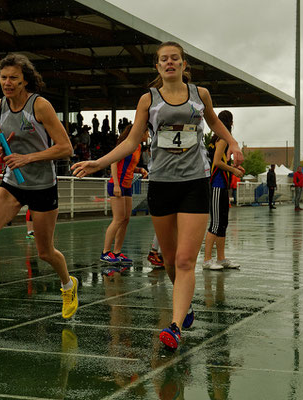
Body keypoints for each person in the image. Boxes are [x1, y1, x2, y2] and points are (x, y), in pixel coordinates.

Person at [71, 41, 243, 349]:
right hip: (162, 183)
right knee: (168, 258)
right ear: (157, 66)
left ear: (183, 64)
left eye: (175, 58)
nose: (170, 63)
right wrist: (100, 161)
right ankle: (184, 303)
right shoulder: (147, 100)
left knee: (187, 258)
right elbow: (133, 140)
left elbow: (214, 122)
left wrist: (232, 143)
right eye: (164, 59)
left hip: (195, 182)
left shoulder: (199, 94)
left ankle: (174, 326)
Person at [0, 53, 78, 322]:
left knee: (45, 252)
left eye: (13, 77)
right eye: (3, 77)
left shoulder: (41, 106)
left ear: (25, 80)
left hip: (43, 185)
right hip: (13, 183)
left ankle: (68, 286)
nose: (7, 82)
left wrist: (28, 157)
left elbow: (66, 148)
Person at [100, 124, 149, 265]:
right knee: (118, 219)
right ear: (141, 132)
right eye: (147, 132)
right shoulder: (126, 145)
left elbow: (129, 166)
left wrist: (140, 170)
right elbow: (113, 164)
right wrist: (116, 184)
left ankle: (117, 252)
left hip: (127, 186)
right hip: (118, 185)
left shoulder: (138, 147)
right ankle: (105, 252)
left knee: (125, 219)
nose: (148, 135)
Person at [202, 110, 244, 271]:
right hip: (217, 185)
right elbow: (217, 162)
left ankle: (221, 258)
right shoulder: (223, 140)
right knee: (216, 223)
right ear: (230, 123)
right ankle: (207, 259)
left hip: (221, 184)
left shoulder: (218, 140)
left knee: (222, 223)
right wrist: (234, 171)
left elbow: (221, 161)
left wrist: (233, 167)